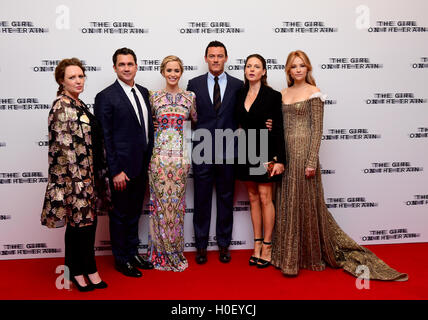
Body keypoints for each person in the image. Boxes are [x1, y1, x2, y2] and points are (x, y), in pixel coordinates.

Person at [271, 50, 408, 281]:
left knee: (306, 204)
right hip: (286, 156)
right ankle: (287, 257)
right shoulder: (282, 94)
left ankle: (309, 256)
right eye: (293, 66)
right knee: (287, 204)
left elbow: (318, 129)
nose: (298, 70)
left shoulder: (314, 92)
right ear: (288, 70)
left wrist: (312, 160)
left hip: (305, 155)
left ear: (308, 69)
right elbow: (278, 126)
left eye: (302, 66)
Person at [41, 58, 111, 291]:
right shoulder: (61, 107)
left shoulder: (78, 104)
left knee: (82, 226)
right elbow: (65, 149)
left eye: (81, 76)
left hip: (88, 178)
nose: (78, 80)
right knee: (80, 227)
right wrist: (79, 183)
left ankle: (80, 269)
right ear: (61, 80)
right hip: (75, 181)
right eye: (72, 77)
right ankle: (82, 271)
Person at [94, 48, 154, 278]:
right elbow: (104, 138)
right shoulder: (106, 96)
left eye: (130, 64)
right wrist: (115, 170)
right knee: (119, 215)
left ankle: (132, 253)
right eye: (122, 64)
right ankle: (121, 259)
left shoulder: (144, 92)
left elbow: (145, 130)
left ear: (136, 66)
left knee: (134, 214)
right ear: (115, 68)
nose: (127, 68)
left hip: (141, 166)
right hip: (120, 170)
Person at [187, 41, 243, 264]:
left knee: (225, 199)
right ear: (206, 58)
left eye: (220, 56)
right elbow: (189, 117)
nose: (216, 59)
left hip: (228, 150)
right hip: (202, 149)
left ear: (226, 58)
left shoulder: (239, 85)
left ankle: (223, 244)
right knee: (201, 199)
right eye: (212, 56)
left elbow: (244, 115)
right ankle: (201, 246)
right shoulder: (194, 83)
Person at [235, 54, 285, 268]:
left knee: (266, 198)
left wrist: (279, 159)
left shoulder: (273, 96)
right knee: (253, 197)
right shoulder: (239, 93)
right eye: (248, 66)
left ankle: (268, 246)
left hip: (265, 151)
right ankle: (256, 245)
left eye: (257, 66)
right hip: (245, 151)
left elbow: (279, 128)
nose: (252, 69)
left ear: (264, 71)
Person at [147, 55, 197, 271]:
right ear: (162, 72)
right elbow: (145, 125)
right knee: (158, 207)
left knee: (176, 208)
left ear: (181, 72)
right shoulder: (153, 97)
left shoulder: (190, 97)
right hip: (158, 160)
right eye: (169, 70)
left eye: (177, 70)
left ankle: (175, 252)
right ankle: (158, 254)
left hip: (179, 161)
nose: (173, 74)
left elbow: (196, 122)